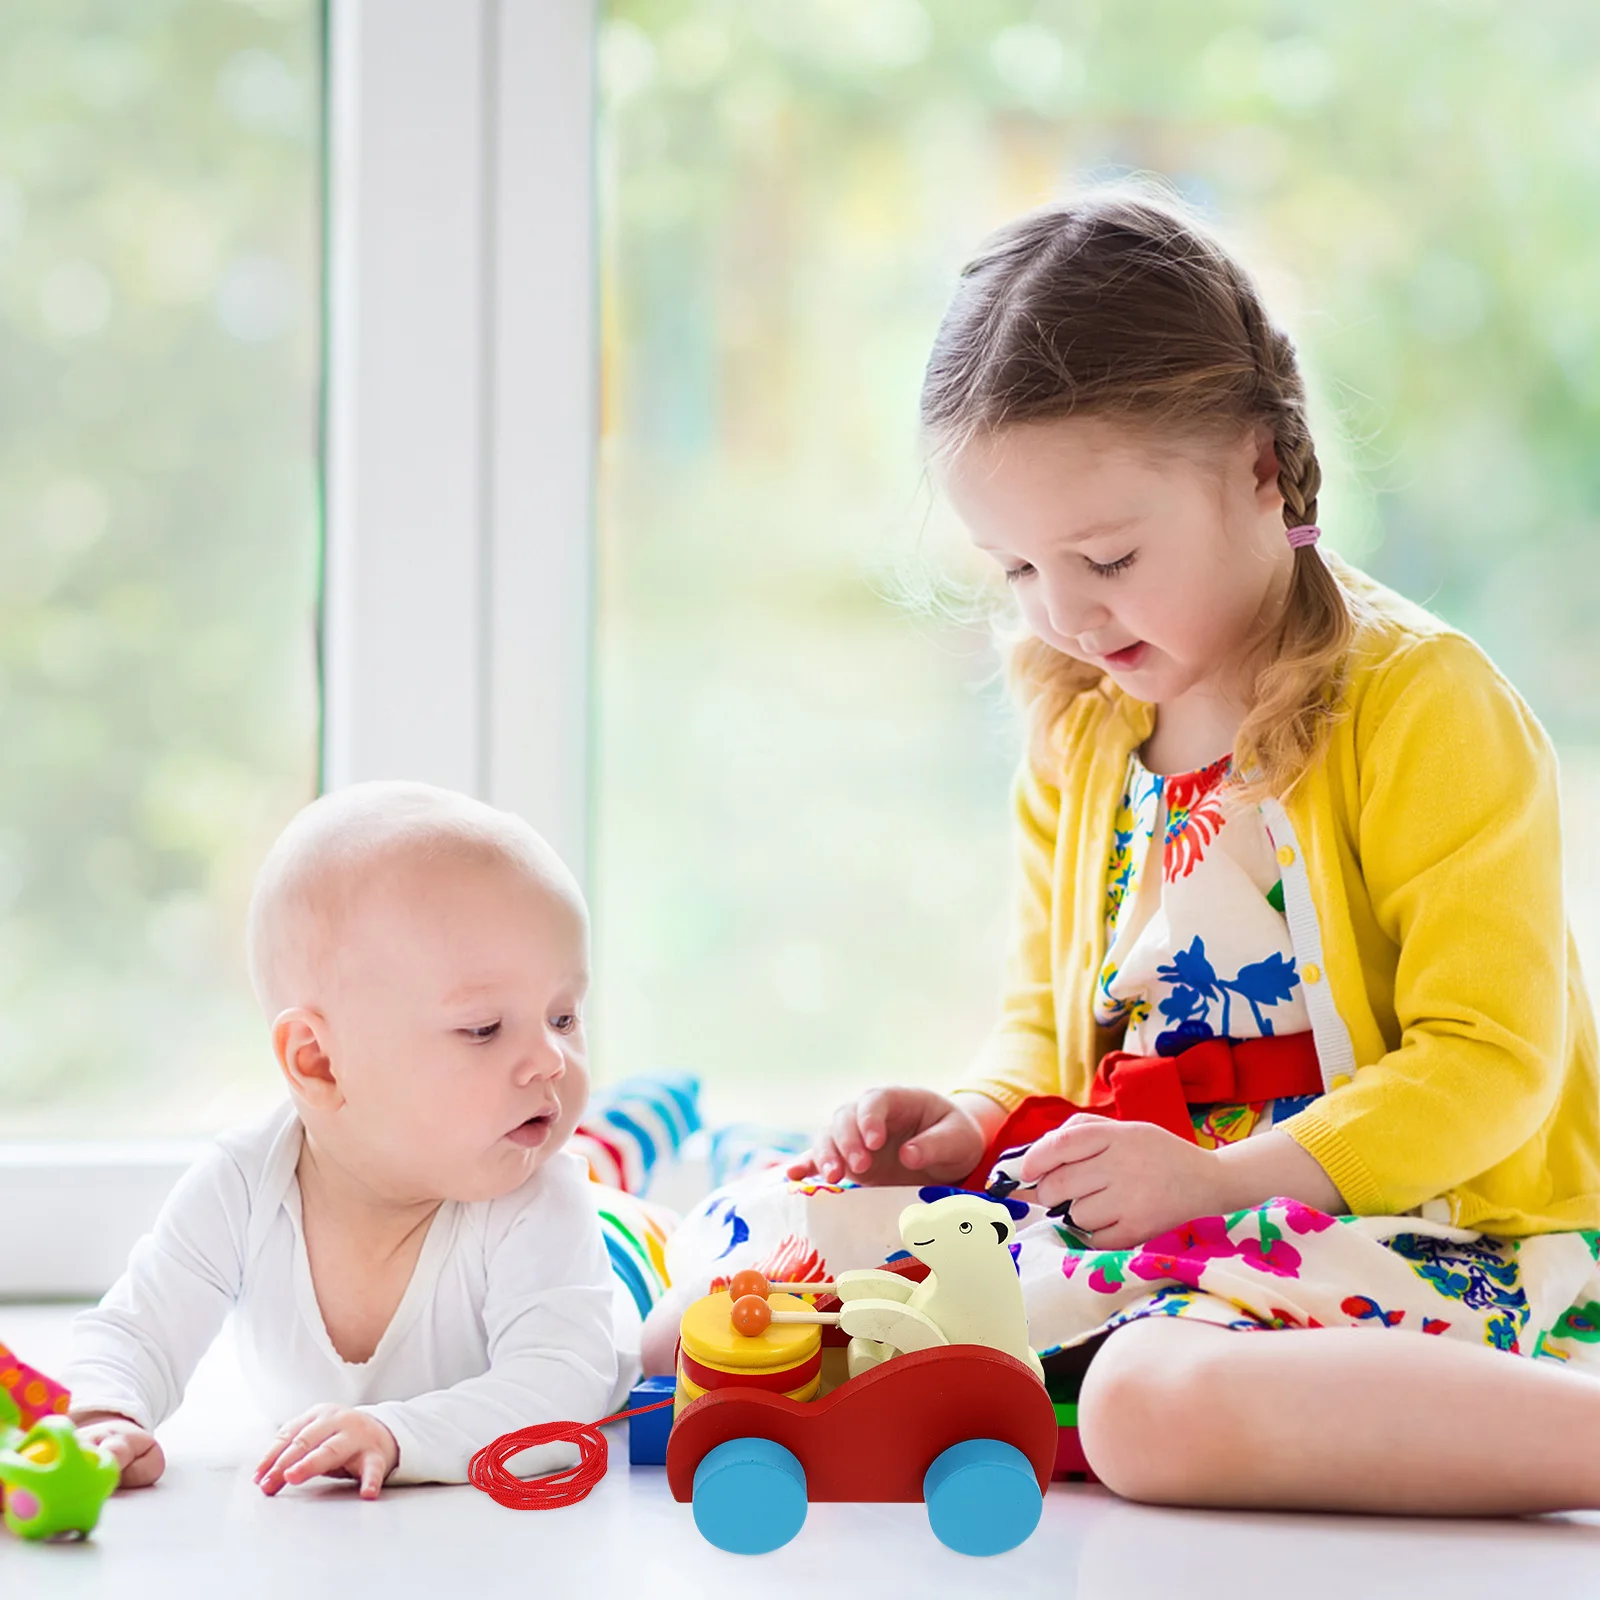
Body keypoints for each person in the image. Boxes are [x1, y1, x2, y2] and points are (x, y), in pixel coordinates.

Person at [774, 189, 1600, 1516]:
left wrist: (1221, 1178)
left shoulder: (1421, 704)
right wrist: (973, 1121)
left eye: (1104, 555)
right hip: (1177, 1226)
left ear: (1263, 467)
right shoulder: (1086, 725)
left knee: (1148, 1408)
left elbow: (1493, 1065)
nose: (1066, 614)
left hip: (1427, 1231)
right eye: (1018, 571)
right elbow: (1054, 1034)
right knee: (805, 1280)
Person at [65, 781, 634, 1499]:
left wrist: (399, 1435)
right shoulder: (243, 1185)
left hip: (613, 1271)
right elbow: (135, 1327)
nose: (551, 1060)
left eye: (562, 1016)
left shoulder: (540, 1196)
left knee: (672, 1320)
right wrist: (102, 1413)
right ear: (319, 1062)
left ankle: (642, 1142)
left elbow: (560, 1384)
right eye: (484, 1028)